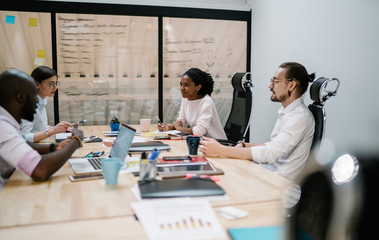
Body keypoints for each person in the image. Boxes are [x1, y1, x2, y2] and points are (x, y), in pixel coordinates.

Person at [200, 62, 315, 180]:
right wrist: (245, 145)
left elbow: (272, 153)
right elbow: (275, 145)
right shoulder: (289, 113)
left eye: (275, 81)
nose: (270, 86)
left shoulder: (299, 117)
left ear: (291, 85)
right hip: (269, 176)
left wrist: (222, 150)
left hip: (280, 186)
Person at [0, 70, 84, 190]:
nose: (37, 102)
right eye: (34, 95)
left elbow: (21, 142)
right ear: (20, 97)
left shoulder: (6, 120)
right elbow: (40, 170)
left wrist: (53, 148)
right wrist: (76, 141)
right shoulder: (2, 127)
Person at [158, 68, 226, 139]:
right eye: (181, 84)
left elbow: (199, 131)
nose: (182, 88)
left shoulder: (206, 102)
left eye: (186, 85)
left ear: (198, 87)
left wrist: (177, 128)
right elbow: (181, 120)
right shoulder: (186, 99)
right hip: (202, 143)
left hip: (217, 144)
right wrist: (169, 127)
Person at [21, 66, 72, 142]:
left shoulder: (41, 101)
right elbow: (23, 137)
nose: (55, 88)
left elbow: (39, 128)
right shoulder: (28, 105)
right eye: (51, 84)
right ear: (37, 84)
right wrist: (52, 130)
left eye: (56, 84)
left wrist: (59, 128)